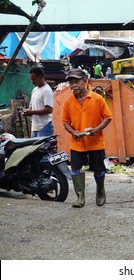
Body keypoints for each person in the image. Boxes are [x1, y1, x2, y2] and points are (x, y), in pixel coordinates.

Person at [62, 69, 112, 208]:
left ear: (85, 81)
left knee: (99, 170)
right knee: (75, 169)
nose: (73, 85)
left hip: (95, 143)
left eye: (76, 82)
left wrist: (97, 130)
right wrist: (74, 132)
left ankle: (100, 192)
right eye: (71, 83)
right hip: (77, 143)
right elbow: (65, 122)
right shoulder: (68, 102)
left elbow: (108, 117)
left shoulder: (97, 99)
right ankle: (80, 197)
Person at [22, 67, 54, 137]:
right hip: (35, 127)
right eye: (31, 79)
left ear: (40, 77)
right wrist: (27, 111)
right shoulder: (35, 90)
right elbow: (32, 107)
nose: (32, 82)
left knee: (42, 148)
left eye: (34, 79)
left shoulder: (47, 90)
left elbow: (49, 109)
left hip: (44, 127)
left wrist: (32, 112)